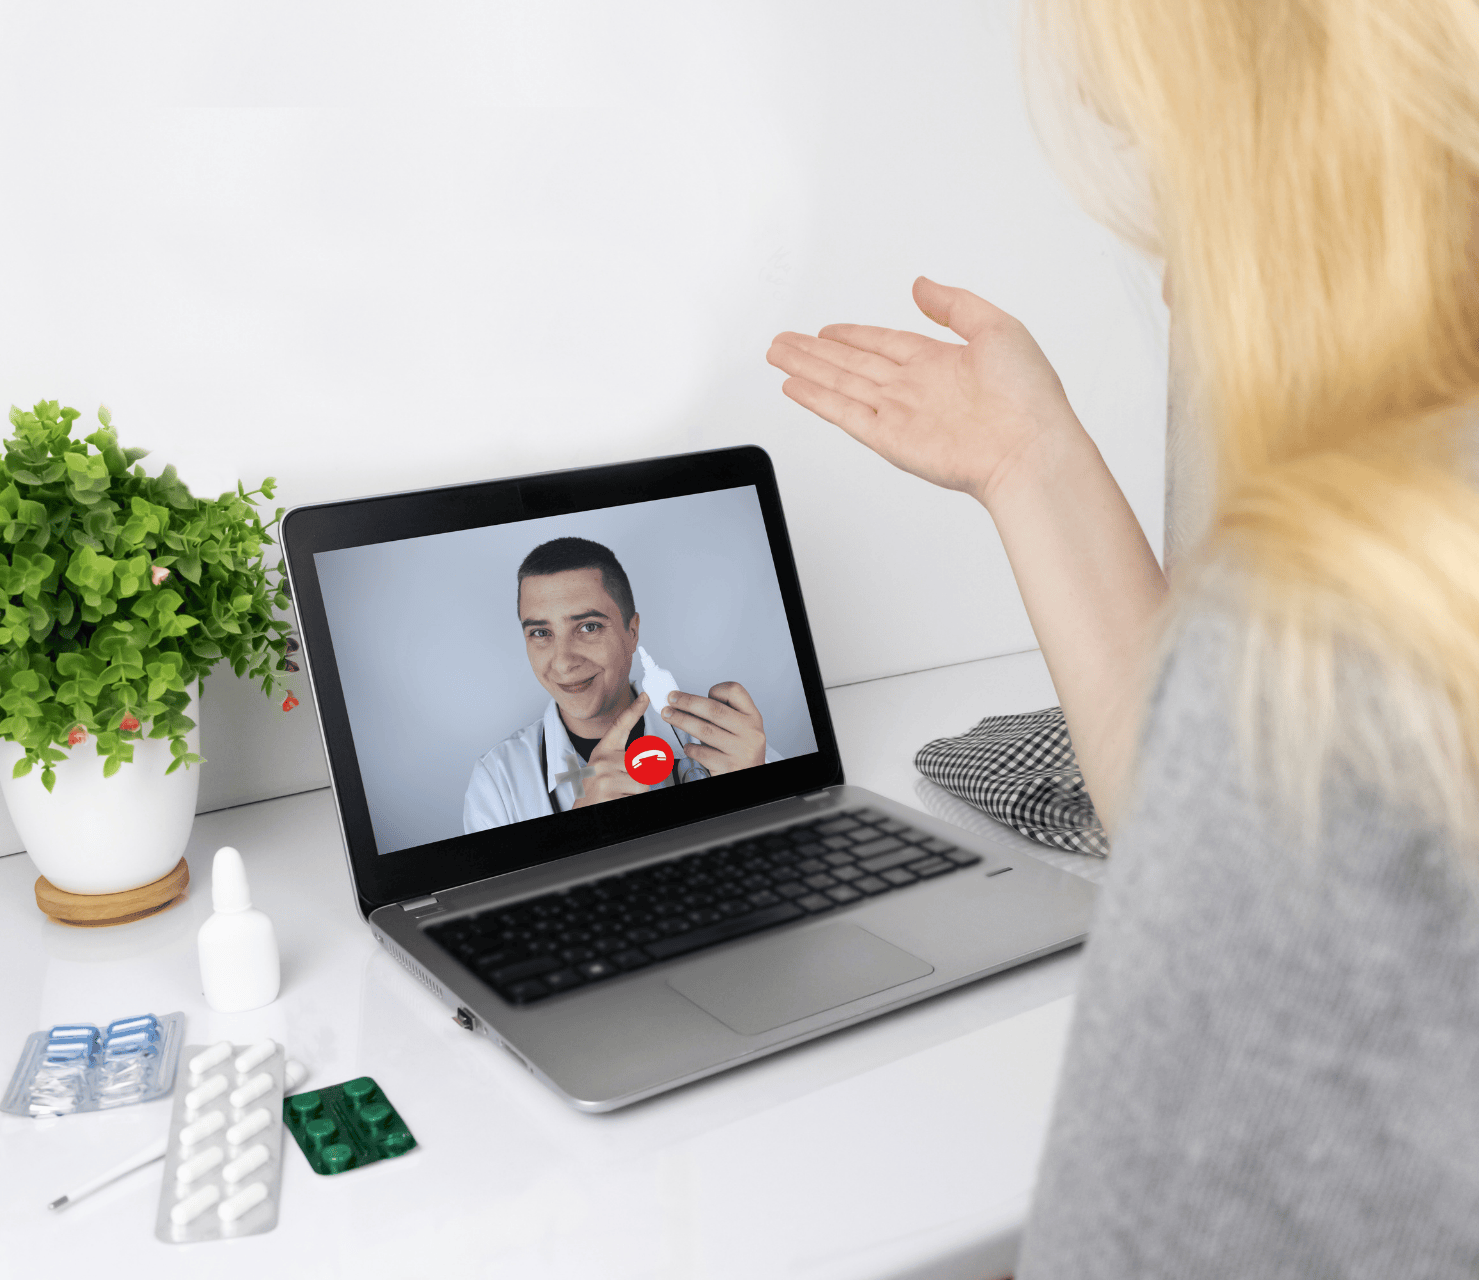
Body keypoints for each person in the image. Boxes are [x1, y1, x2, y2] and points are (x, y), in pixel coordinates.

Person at [767, 0, 1479, 1272]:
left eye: (1185, 169)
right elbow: (1214, 837)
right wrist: (1028, 464)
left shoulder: (1361, 615)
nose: (1165, 264)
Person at [462, 536, 780, 832]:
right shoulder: (497, 782)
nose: (563, 662)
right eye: (541, 633)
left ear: (632, 633)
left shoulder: (727, 742)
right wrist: (581, 833)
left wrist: (756, 794)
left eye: (588, 627)